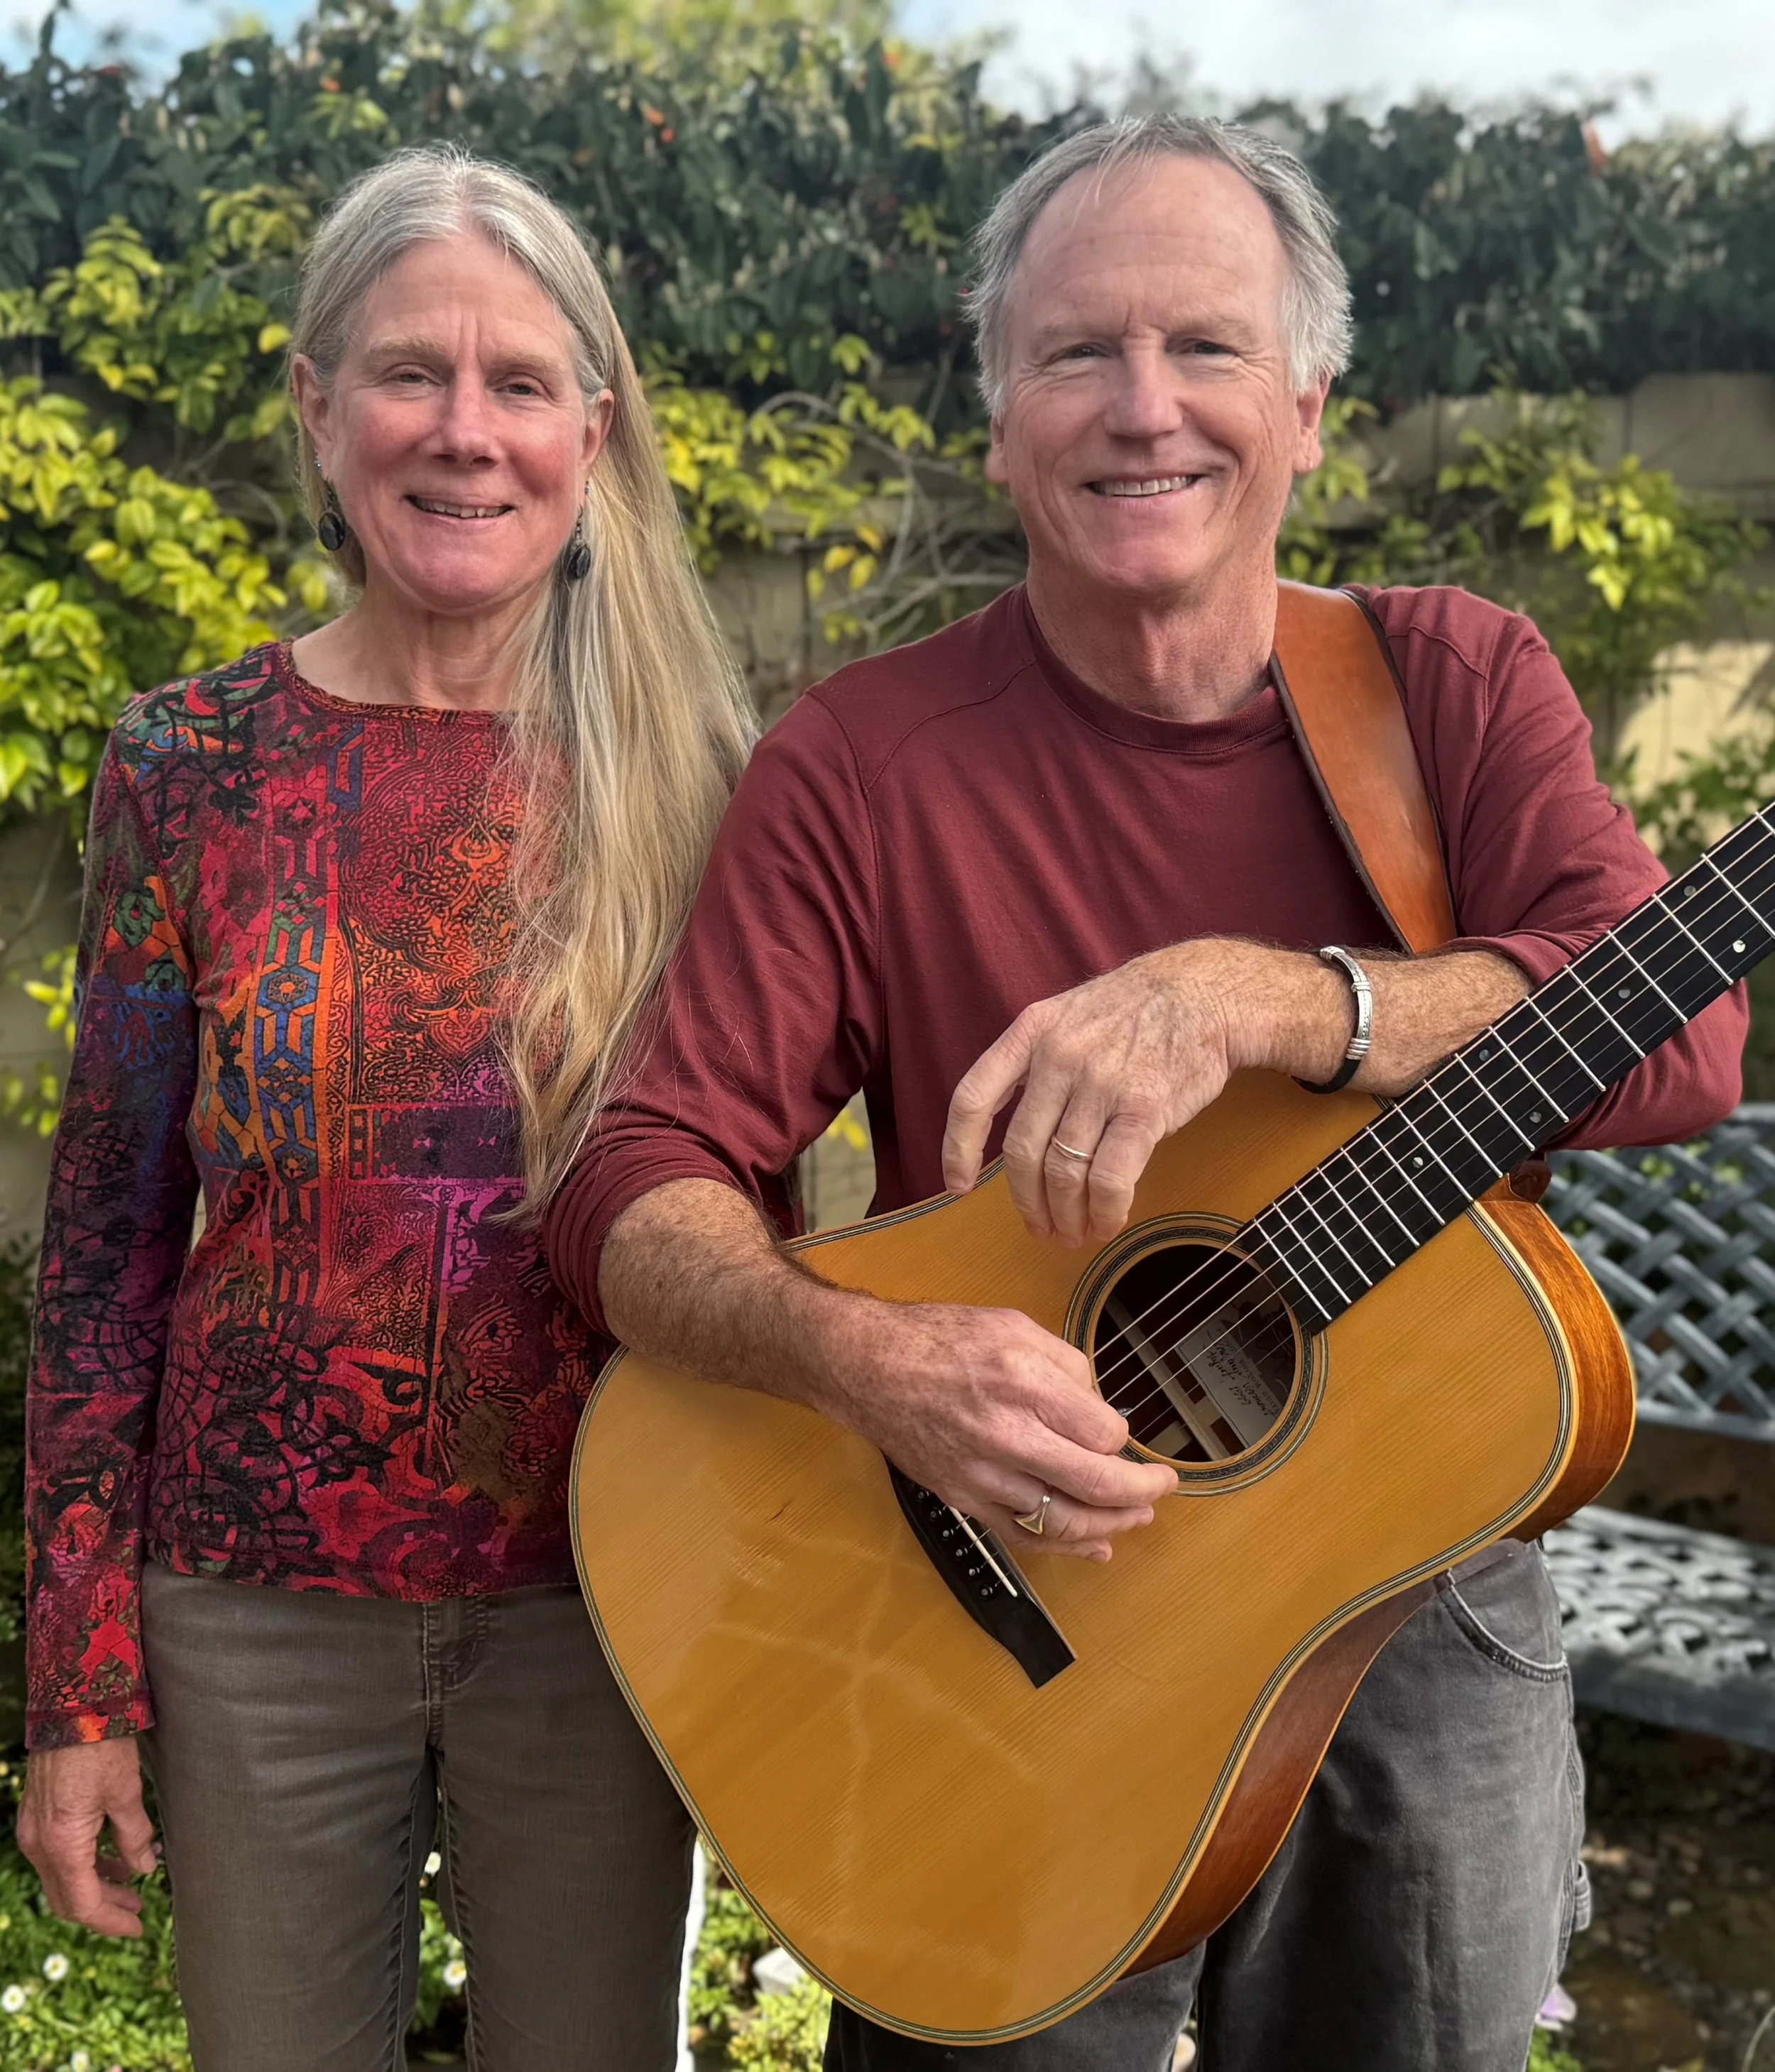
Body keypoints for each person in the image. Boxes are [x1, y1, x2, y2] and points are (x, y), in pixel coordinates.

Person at [542, 116, 1747, 2072]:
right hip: (1007, 1605)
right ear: (999, 415)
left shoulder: (1450, 683)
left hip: (1414, 1590)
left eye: (1200, 346)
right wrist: (869, 1365)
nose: (1140, 409)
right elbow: (634, 1178)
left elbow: (1679, 1034)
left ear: (1307, 407)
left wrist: (1269, 1000)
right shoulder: (864, 762)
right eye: (1074, 353)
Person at [19, 146, 752, 2069]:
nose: (463, 429)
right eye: (409, 371)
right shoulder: (187, 762)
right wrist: (76, 1680)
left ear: (593, 429)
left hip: (607, 1594)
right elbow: (100, 1248)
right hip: (255, 1617)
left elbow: (768, 1221)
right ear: (315, 404)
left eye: (520, 382)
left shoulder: (698, 782)